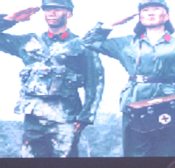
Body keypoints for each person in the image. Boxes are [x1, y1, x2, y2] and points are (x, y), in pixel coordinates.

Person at [83, 0, 175, 157]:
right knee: (135, 155)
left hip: (169, 102)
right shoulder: (126, 43)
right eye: (145, 10)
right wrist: (113, 23)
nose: (150, 13)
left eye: (156, 9)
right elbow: (88, 42)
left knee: (169, 154)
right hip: (135, 100)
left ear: (166, 16)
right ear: (139, 16)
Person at [0, 0, 104, 158]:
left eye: (57, 9)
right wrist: (10, 19)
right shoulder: (28, 41)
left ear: (69, 14)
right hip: (34, 118)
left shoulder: (81, 45)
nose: (52, 13)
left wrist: (86, 116)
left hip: (66, 117)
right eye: (48, 9)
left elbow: (95, 82)